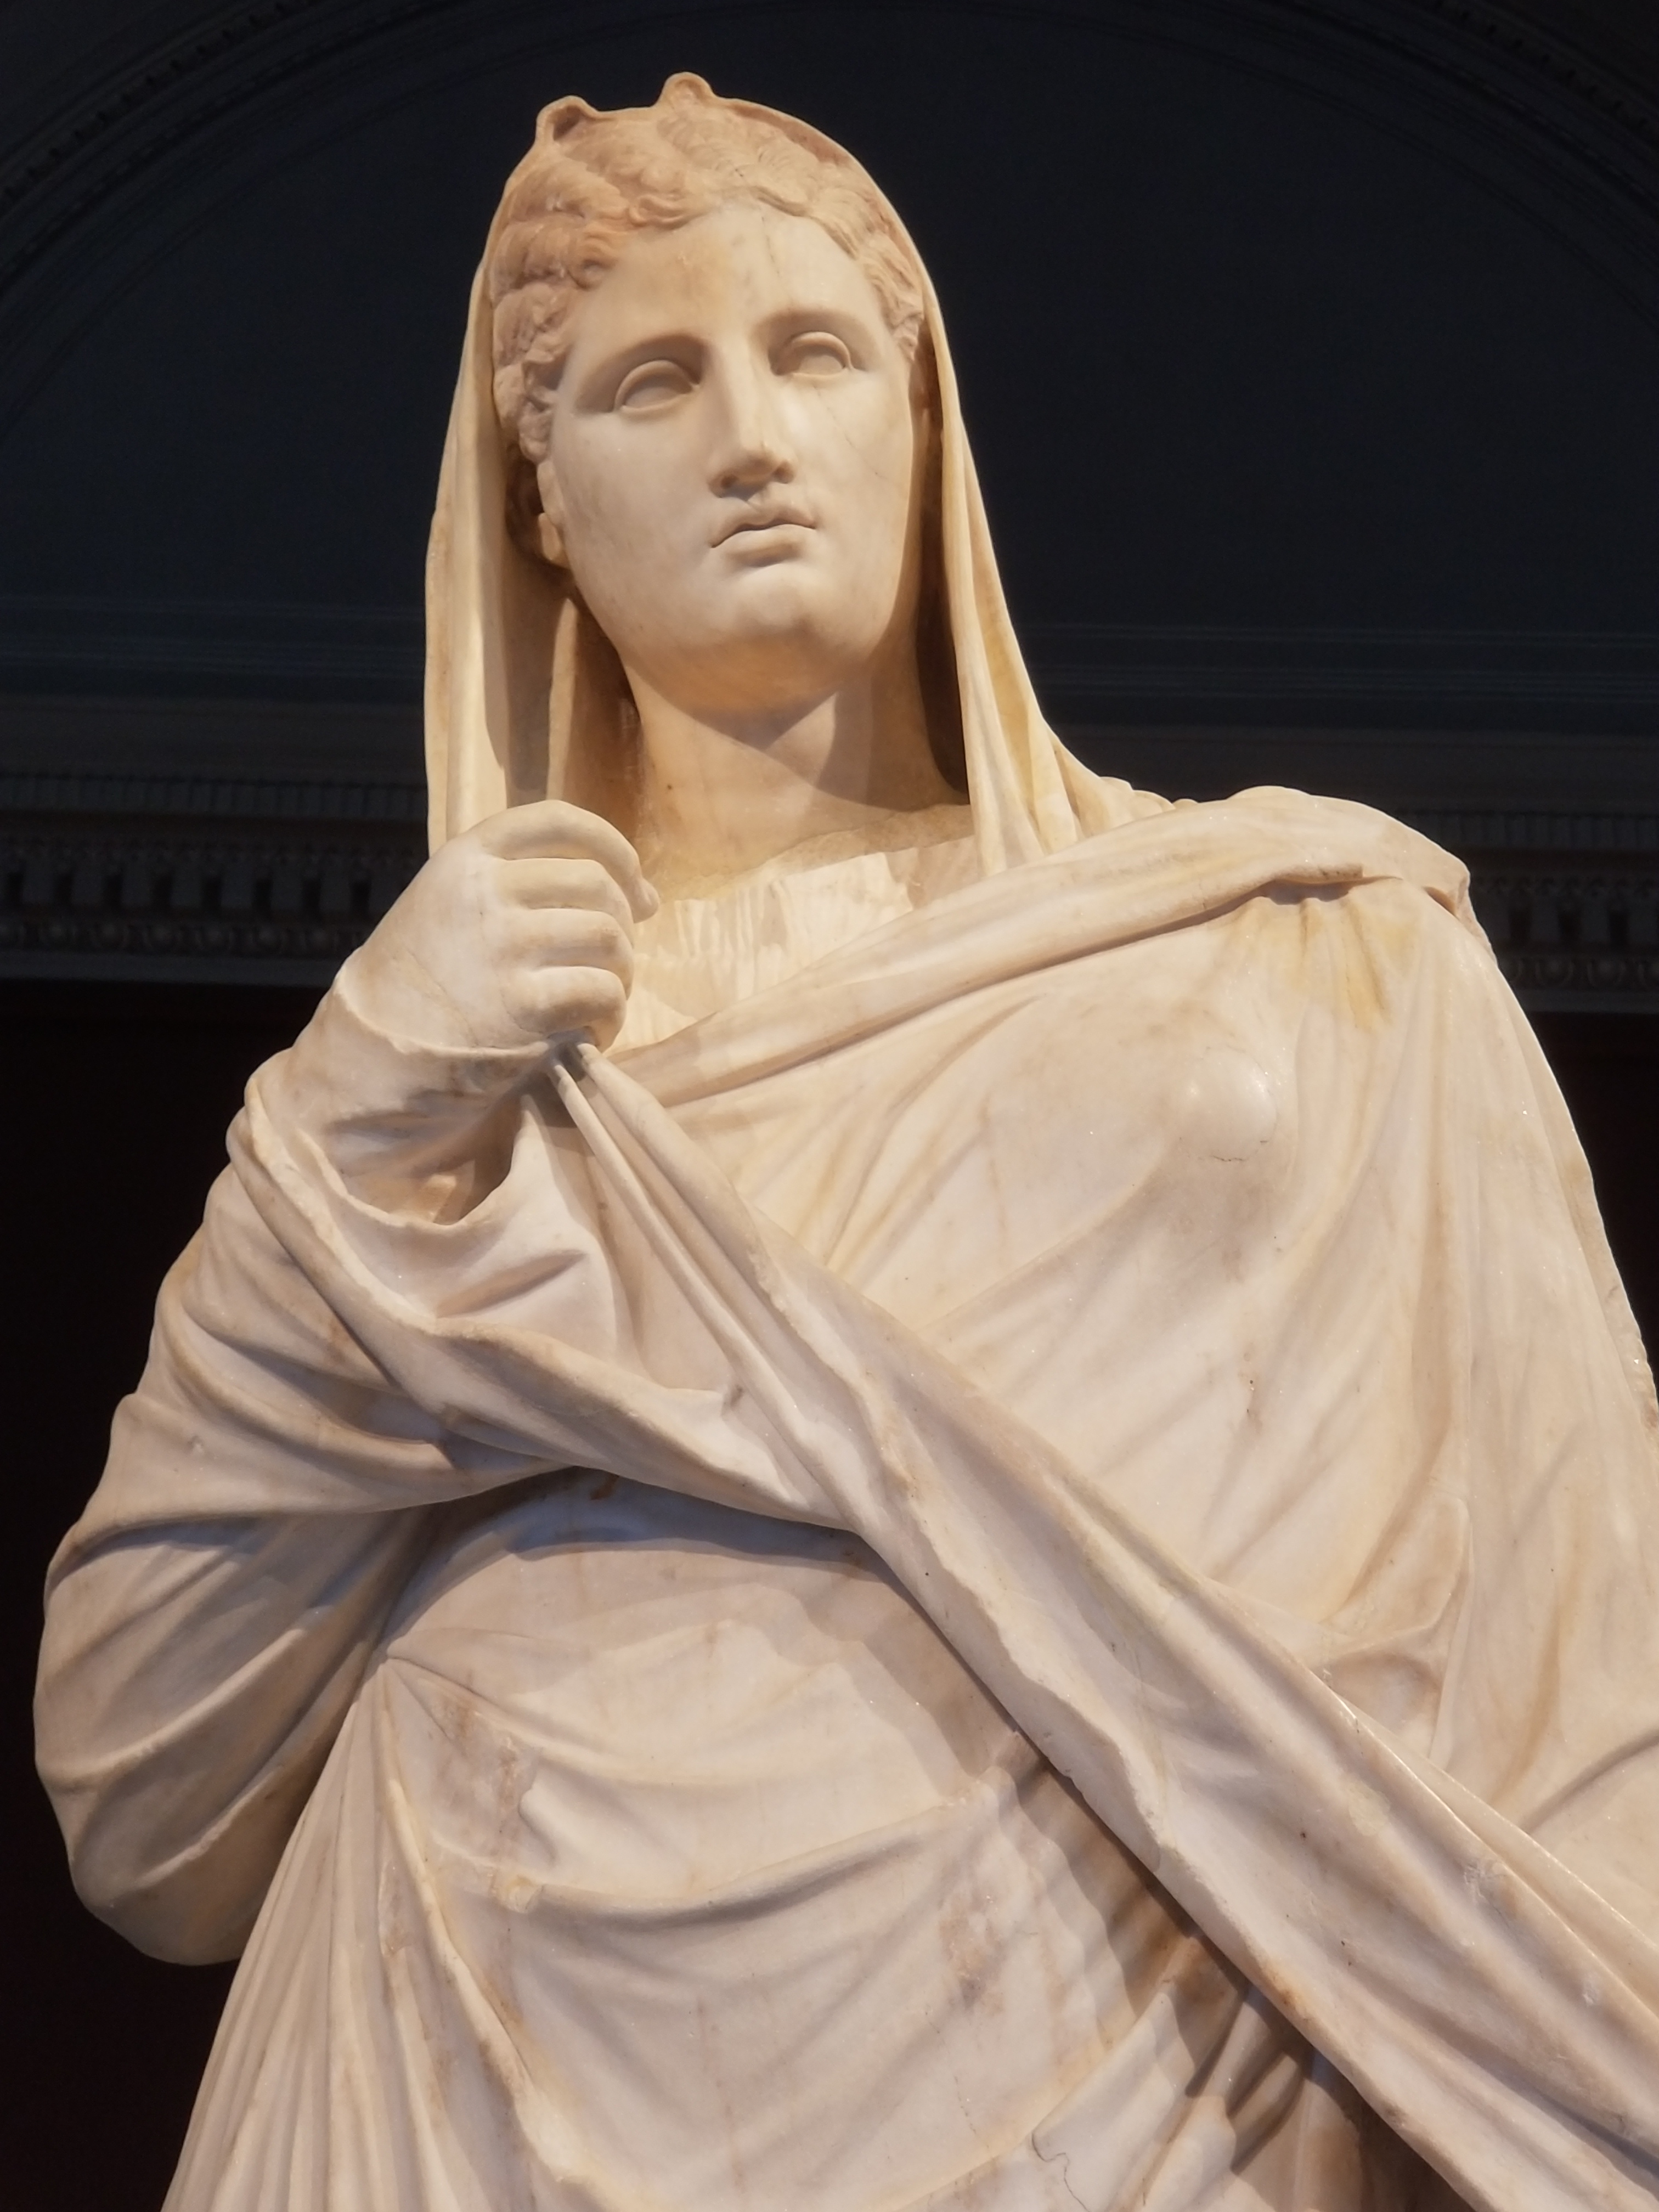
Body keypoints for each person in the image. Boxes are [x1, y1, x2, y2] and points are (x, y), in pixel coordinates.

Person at [35, 74, 1659, 2212]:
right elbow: (137, 1793)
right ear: (536, 495)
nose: (747, 436)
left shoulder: (1309, 950)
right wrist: (351, 1127)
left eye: (815, 354)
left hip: (1140, 2075)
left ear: (922, 413)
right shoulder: (421, 1085)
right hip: (462, 2059)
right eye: (647, 381)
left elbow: (1571, 1645)